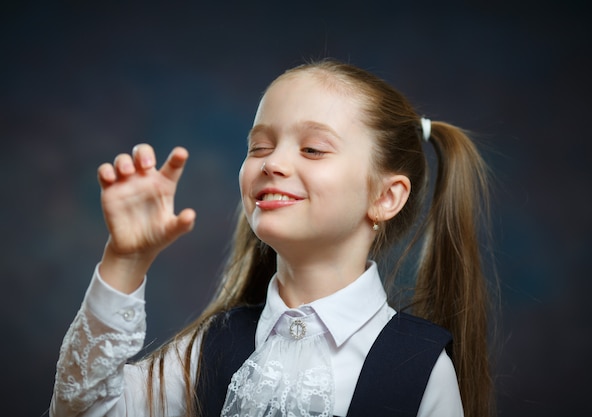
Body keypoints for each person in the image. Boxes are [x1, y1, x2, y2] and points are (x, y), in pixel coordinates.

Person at [49, 59, 494, 417]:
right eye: (259, 147)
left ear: (385, 196)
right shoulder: (202, 350)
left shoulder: (420, 368)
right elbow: (82, 409)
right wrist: (126, 260)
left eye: (313, 149)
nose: (273, 163)